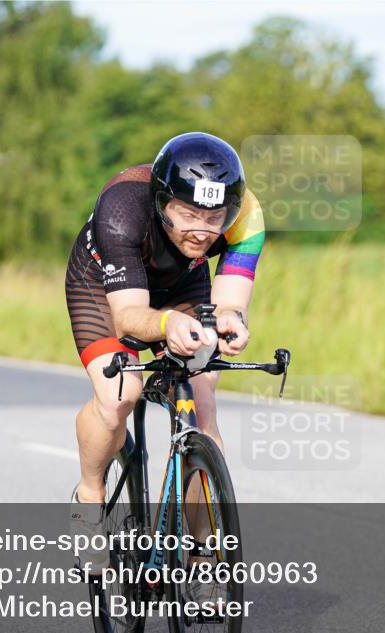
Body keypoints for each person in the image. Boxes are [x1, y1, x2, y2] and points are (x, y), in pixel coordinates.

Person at [65, 133, 264, 560]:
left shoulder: (247, 214)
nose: (202, 231)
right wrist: (166, 322)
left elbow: (229, 300)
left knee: (203, 404)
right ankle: (89, 495)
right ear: (161, 202)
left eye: (215, 219)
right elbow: (129, 317)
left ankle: (202, 554)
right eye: (188, 214)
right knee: (120, 394)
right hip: (102, 288)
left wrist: (231, 319)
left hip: (182, 285)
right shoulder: (122, 208)